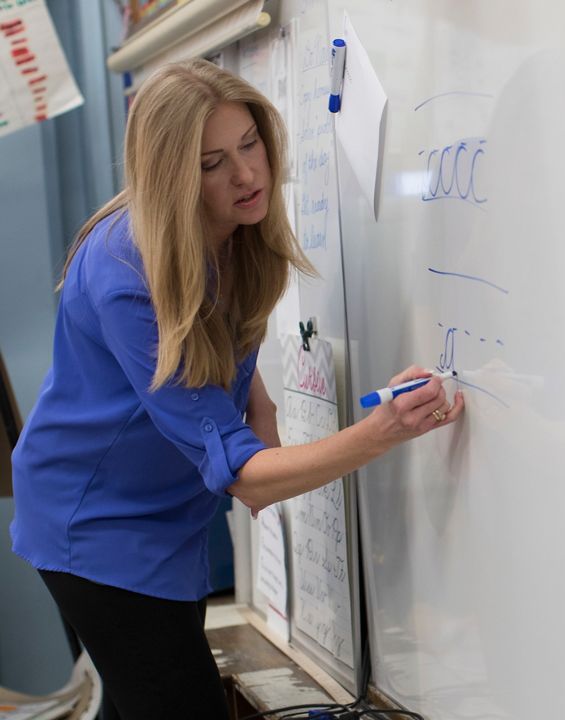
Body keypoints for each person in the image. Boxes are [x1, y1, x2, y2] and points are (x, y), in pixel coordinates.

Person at [8, 59, 463, 719]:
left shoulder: (234, 236)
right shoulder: (126, 271)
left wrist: (258, 403)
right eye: (211, 163)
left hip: (166, 515)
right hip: (95, 528)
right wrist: (381, 431)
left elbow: (222, 367)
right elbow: (245, 477)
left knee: (149, 702)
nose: (247, 175)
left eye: (250, 143)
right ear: (171, 176)